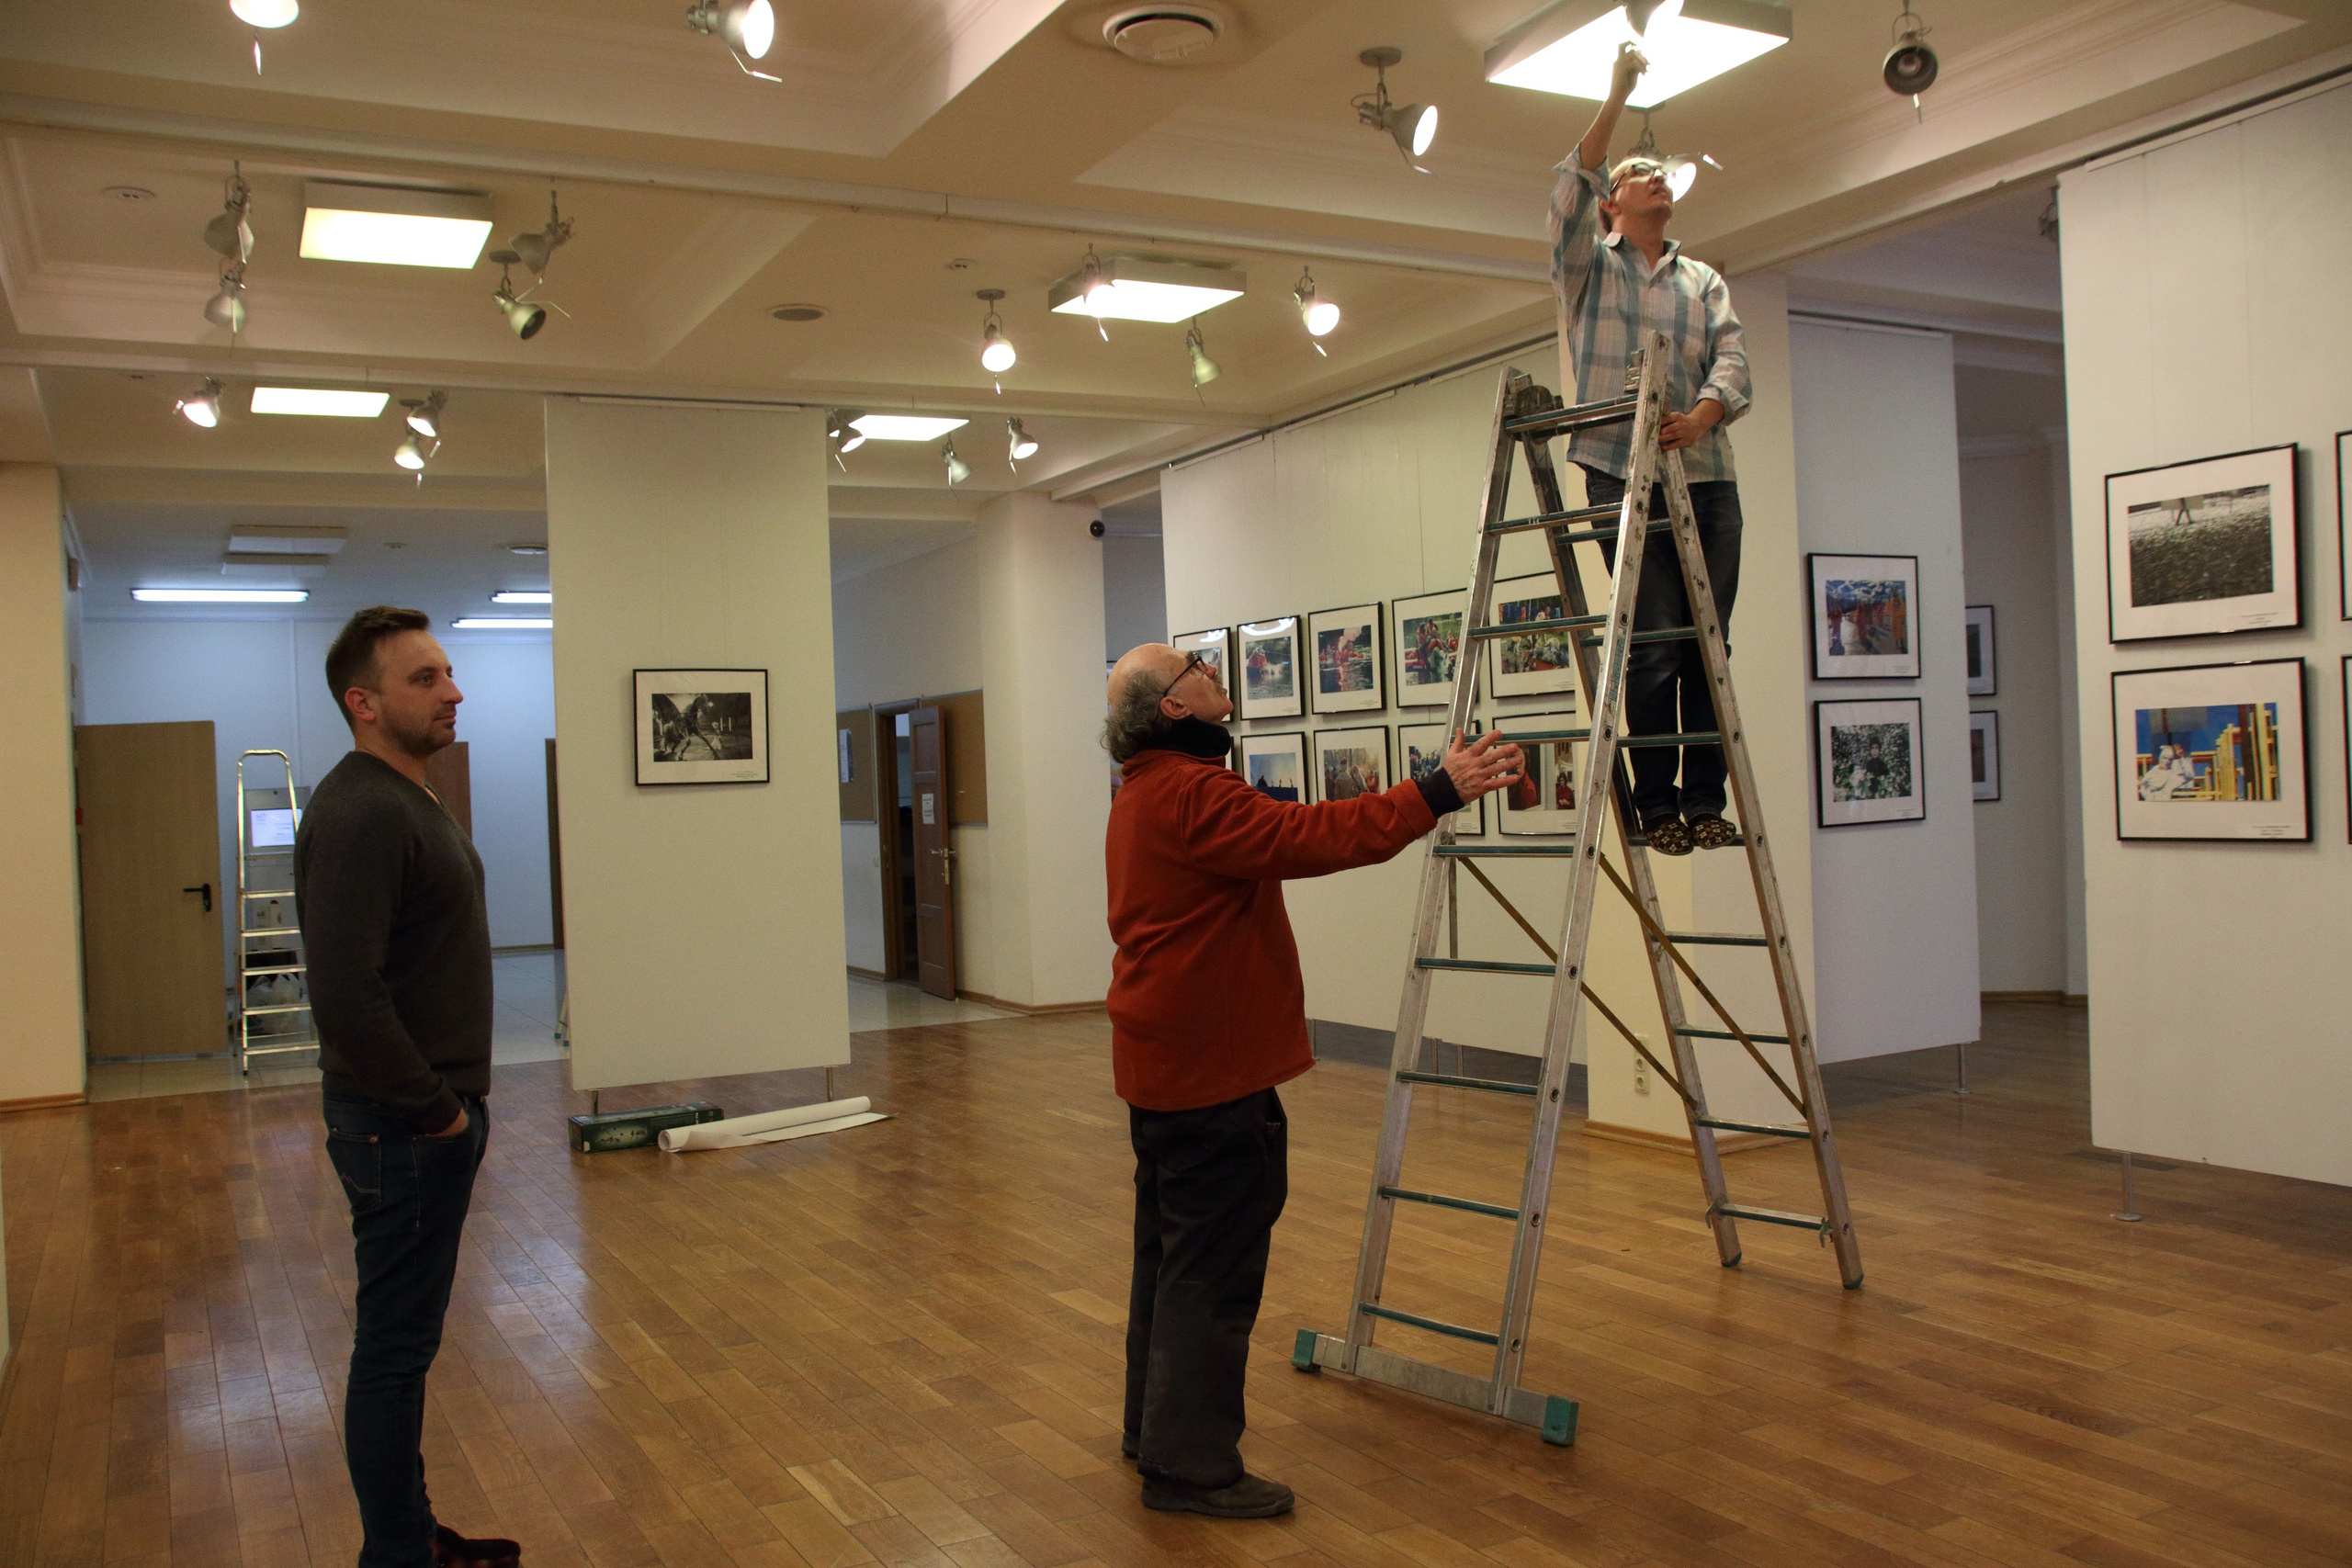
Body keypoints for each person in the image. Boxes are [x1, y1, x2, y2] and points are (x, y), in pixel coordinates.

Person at [1101, 643, 1521, 1519]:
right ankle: (1189, 1466)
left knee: (1170, 1257)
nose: (1214, 670)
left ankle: (1159, 1430)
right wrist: (1434, 790)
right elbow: (1311, 837)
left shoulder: (1146, 790)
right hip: (1209, 1070)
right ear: (1175, 708)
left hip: (1168, 1063)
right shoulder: (1189, 792)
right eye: (1195, 667)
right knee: (1210, 1271)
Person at [295, 606, 517, 1568]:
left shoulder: (404, 797)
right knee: (391, 1352)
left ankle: (412, 1535)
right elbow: (345, 993)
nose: (452, 691)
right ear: (364, 702)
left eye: (448, 674)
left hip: (417, 1119)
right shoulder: (360, 810)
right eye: (424, 678)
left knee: (403, 1347)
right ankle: (396, 1554)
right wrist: (435, 1113)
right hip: (403, 1125)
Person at [1552, 43, 1752, 857]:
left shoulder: (1701, 279)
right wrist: (1615, 95)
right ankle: (1657, 800)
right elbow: (1567, 190)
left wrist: (1703, 415)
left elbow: (1734, 360)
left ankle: (1705, 799)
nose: (1658, 179)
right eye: (1640, 173)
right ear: (1612, 204)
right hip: (1616, 465)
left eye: (1662, 172)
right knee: (1657, 636)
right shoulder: (1589, 269)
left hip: (1702, 475)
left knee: (1708, 641)